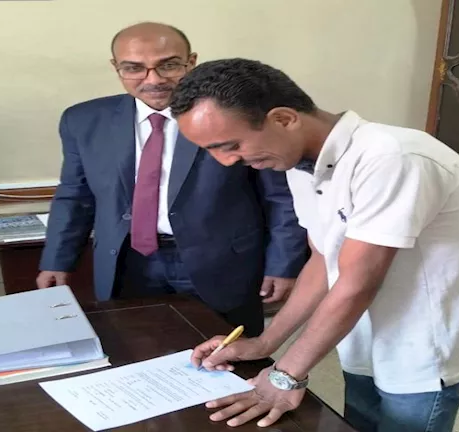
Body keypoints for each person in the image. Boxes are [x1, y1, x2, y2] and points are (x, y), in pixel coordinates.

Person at [169, 58, 459, 431]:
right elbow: (323, 259)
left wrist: (286, 375)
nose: (226, 161)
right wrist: (265, 343)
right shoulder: (298, 163)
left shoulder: (393, 157)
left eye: (231, 145)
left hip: (422, 350)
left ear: (284, 119)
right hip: (362, 337)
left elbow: (356, 282)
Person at [37, 25, 308, 337]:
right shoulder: (83, 120)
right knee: (134, 348)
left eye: (168, 65)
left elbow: (281, 197)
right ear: (116, 68)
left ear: (190, 62)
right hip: (127, 262)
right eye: (134, 68)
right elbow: (75, 195)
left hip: (222, 262)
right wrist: (57, 260)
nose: (153, 80)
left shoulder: (237, 113)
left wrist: (283, 264)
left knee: (228, 352)